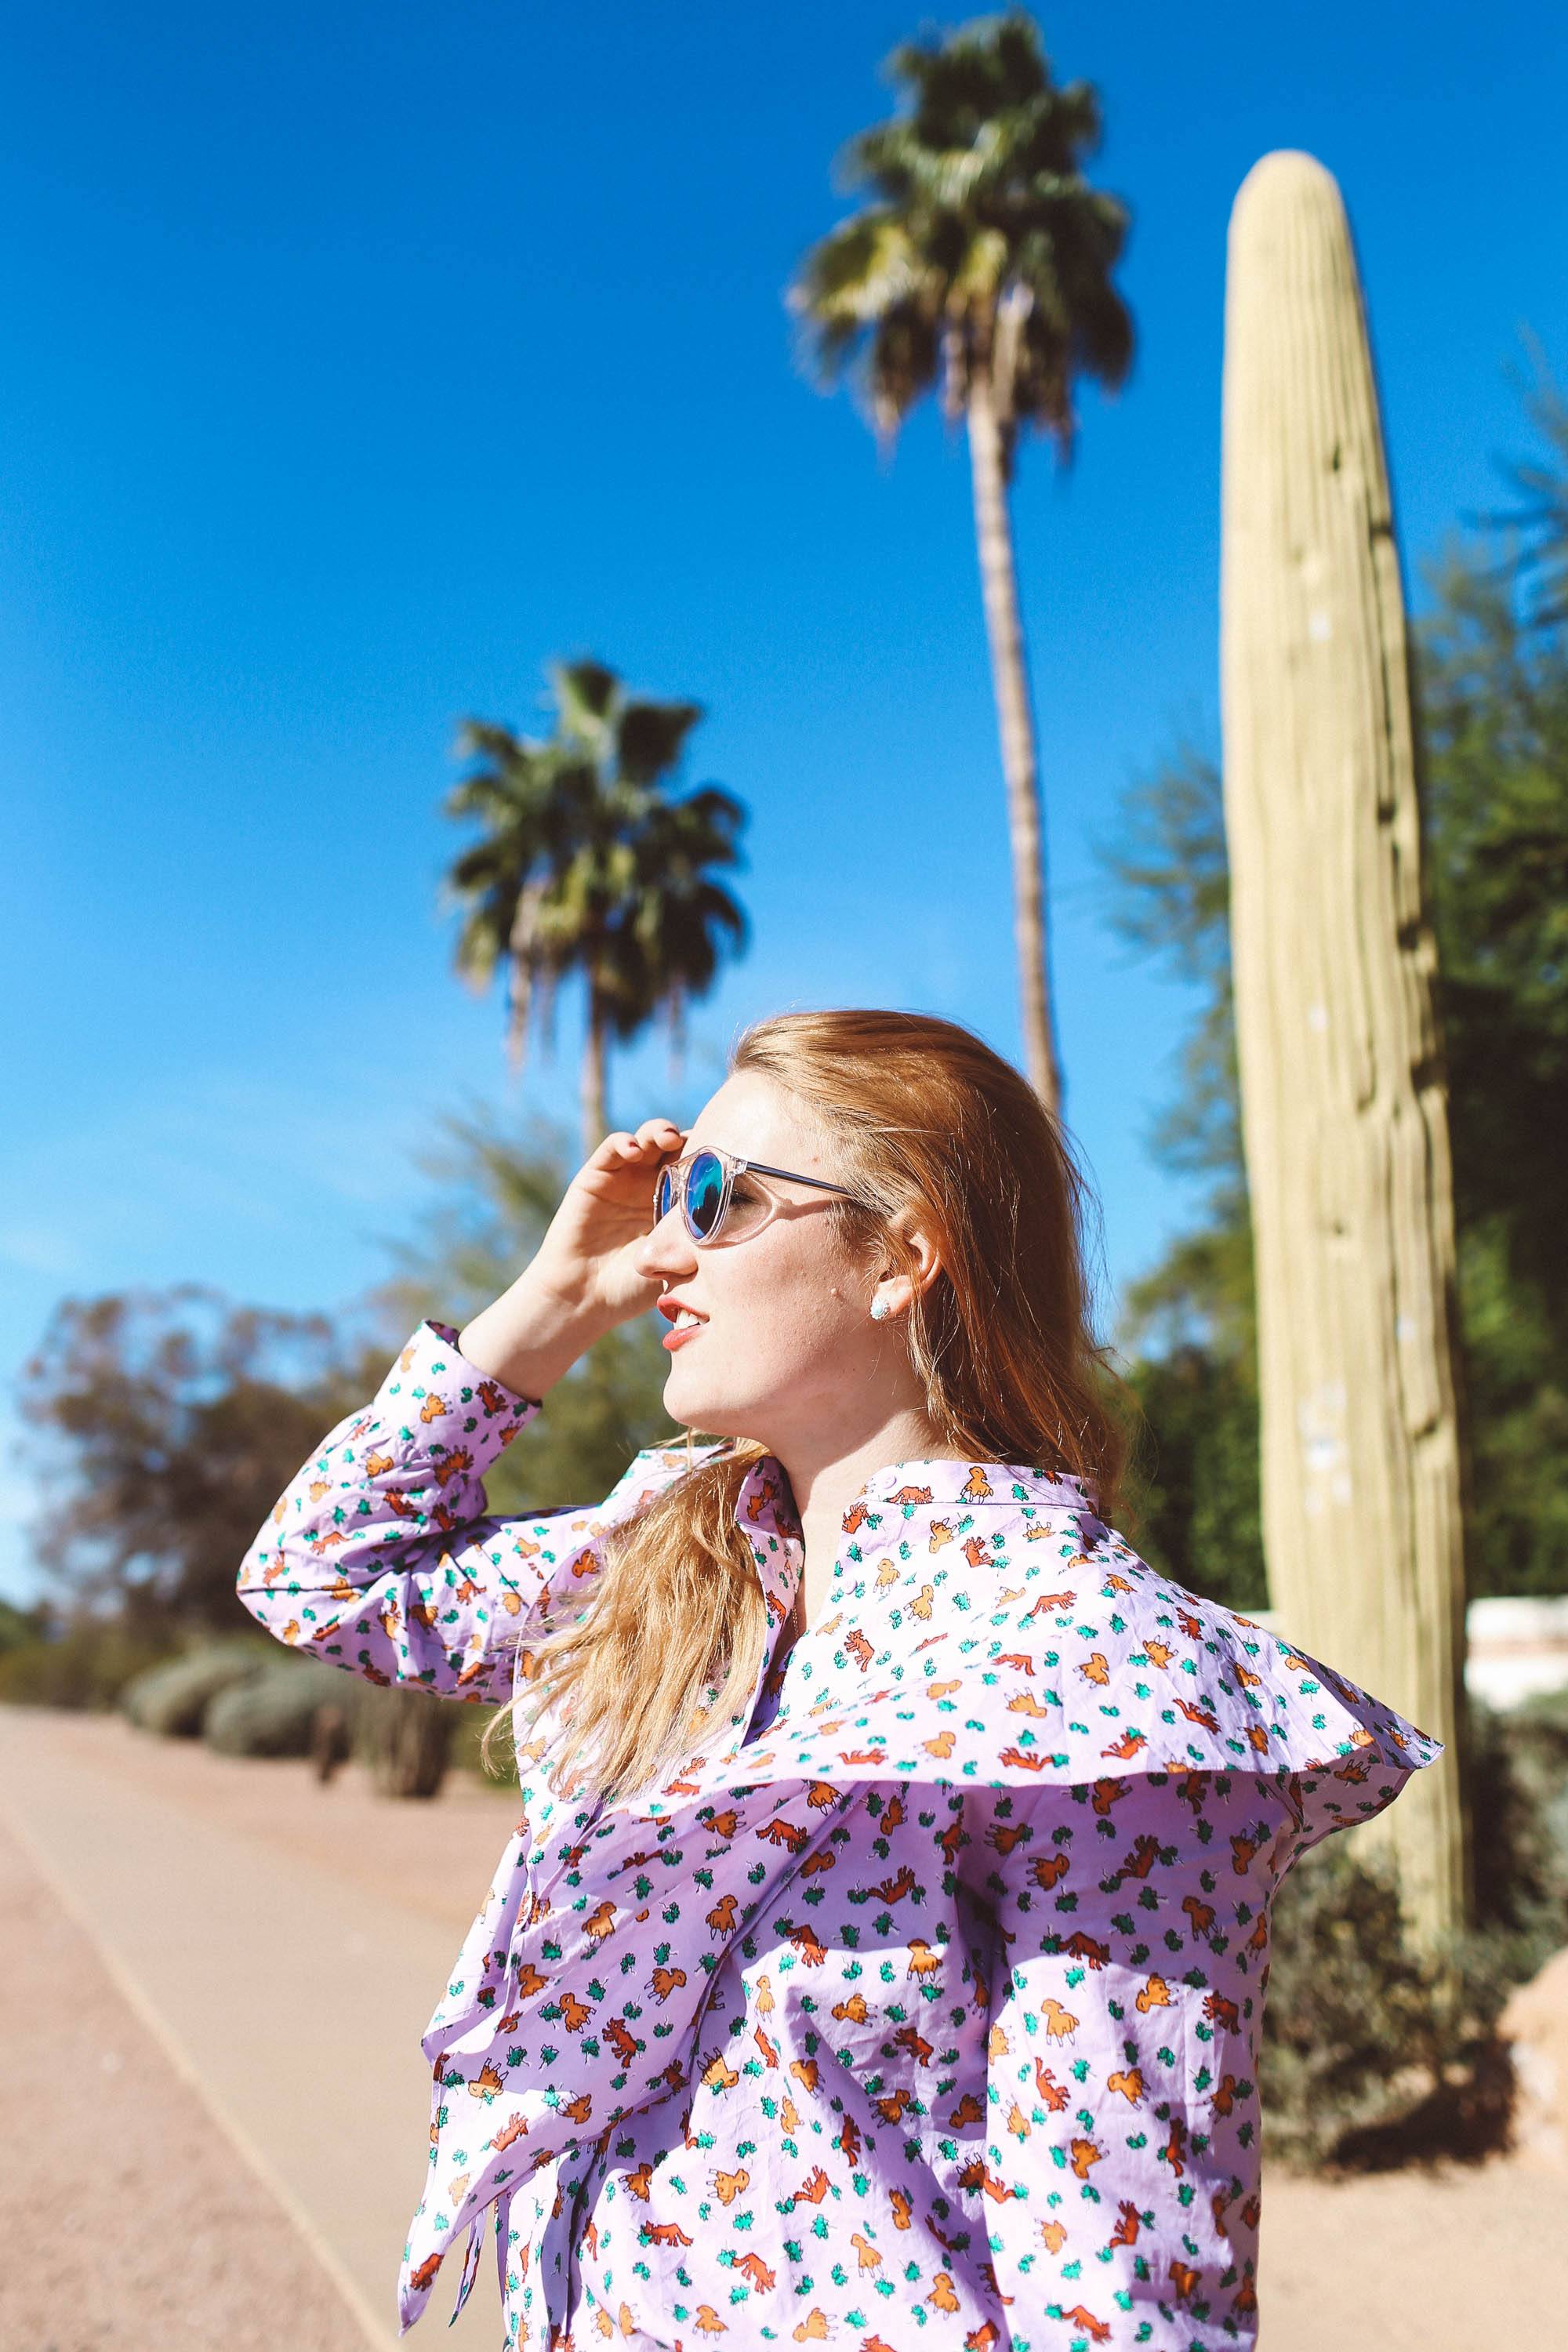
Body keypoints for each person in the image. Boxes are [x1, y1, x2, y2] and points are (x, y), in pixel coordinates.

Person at [238, 1007, 1439, 2351]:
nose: (666, 1253)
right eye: (672, 1195)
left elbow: (1117, 2287)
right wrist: (556, 1303)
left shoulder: (1096, 1685)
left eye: (717, 1197)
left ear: (903, 1256)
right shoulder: (666, 1566)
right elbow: (322, 1578)